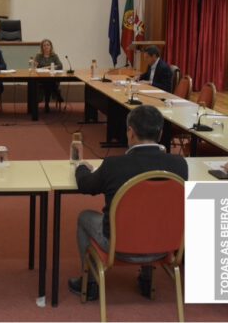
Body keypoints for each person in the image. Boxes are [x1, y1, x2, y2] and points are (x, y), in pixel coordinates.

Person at [69, 105, 187, 301]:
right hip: (163, 246)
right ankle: (147, 282)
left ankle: (89, 283)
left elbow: (85, 186)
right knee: (153, 214)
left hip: (118, 245)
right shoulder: (179, 165)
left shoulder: (114, 166)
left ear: (130, 133)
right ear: (160, 133)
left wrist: (81, 168)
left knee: (84, 217)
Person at [34, 39, 64, 113]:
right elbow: (35, 67)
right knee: (48, 83)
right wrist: (36, 66)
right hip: (41, 78)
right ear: (42, 47)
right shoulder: (38, 56)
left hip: (52, 78)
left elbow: (60, 65)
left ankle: (47, 104)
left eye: (48, 45)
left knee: (48, 82)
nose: (46, 47)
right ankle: (55, 93)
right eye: (44, 45)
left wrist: (49, 67)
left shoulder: (54, 56)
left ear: (51, 46)